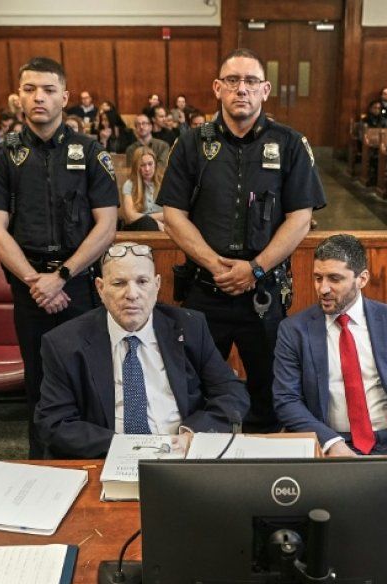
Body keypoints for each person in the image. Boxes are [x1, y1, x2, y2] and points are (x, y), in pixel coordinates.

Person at [158, 47, 326, 432]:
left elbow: (300, 218)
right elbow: (173, 215)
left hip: (263, 293)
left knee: (269, 393)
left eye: (251, 81)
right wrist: (217, 267)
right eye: (232, 81)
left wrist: (255, 268)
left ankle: (261, 461)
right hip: (205, 289)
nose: (242, 89)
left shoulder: (290, 144)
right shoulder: (191, 143)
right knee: (193, 390)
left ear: (265, 90)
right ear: (217, 88)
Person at [0, 57, 120, 458]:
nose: (38, 97)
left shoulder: (90, 152)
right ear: (18, 97)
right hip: (30, 291)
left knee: (90, 378)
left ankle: (90, 464)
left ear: (64, 96)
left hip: (80, 285)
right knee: (39, 383)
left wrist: (61, 276)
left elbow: (107, 226)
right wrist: (35, 281)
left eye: (47, 89)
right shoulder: (3, 155)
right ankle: (41, 465)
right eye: (29, 89)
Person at [34, 243, 250, 458]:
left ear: (157, 285)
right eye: (119, 283)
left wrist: (192, 434)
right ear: (100, 288)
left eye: (142, 281)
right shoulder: (64, 343)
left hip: (181, 453)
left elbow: (231, 392)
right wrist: (128, 447)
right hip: (108, 456)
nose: (132, 294)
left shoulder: (190, 326)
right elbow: (54, 423)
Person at [273, 234, 387, 456]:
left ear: (362, 279)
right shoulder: (293, 331)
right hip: (334, 441)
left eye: (334, 279)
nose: (323, 289)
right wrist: (331, 443)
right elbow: (286, 400)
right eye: (318, 278)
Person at [121, 147, 164, 231]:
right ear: (137, 167)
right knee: (146, 222)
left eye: (150, 164)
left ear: (155, 164)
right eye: (142, 165)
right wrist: (156, 221)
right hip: (138, 227)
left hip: (164, 226)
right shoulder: (130, 184)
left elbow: (173, 213)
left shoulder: (164, 182)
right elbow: (131, 217)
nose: (147, 169)